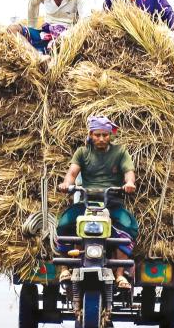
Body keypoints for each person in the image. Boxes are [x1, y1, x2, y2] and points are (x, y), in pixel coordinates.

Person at [57, 116, 138, 290]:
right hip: (87, 203)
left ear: (111, 136)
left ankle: (120, 274)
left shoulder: (120, 152)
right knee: (64, 223)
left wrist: (129, 183)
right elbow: (72, 173)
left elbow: (129, 172)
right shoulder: (82, 152)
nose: (101, 139)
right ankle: (65, 268)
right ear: (91, 135)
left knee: (128, 226)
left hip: (112, 203)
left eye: (105, 135)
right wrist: (67, 184)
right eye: (98, 135)